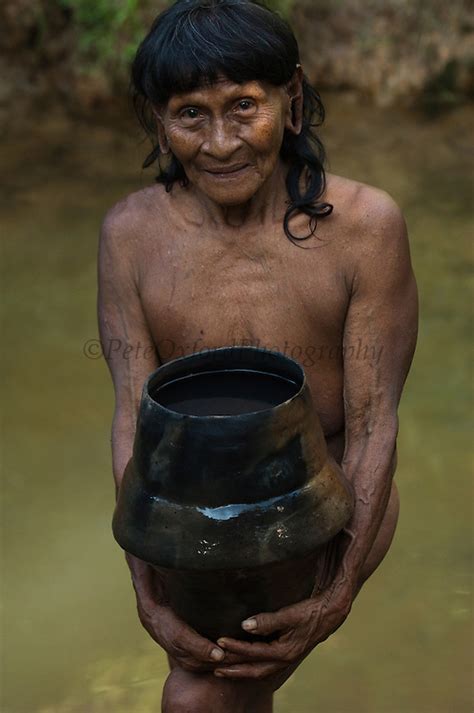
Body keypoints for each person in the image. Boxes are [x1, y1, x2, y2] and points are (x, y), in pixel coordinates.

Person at [97, 0, 418, 710]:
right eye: (190, 115)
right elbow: (132, 424)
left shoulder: (366, 228)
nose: (220, 143)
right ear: (158, 120)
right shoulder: (130, 234)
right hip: (193, 510)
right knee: (226, 689)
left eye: (244, 106)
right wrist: (145, 587)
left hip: (325, 493)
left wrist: (335, 592)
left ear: (292, 99)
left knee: (196, 699)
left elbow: (372, 427)